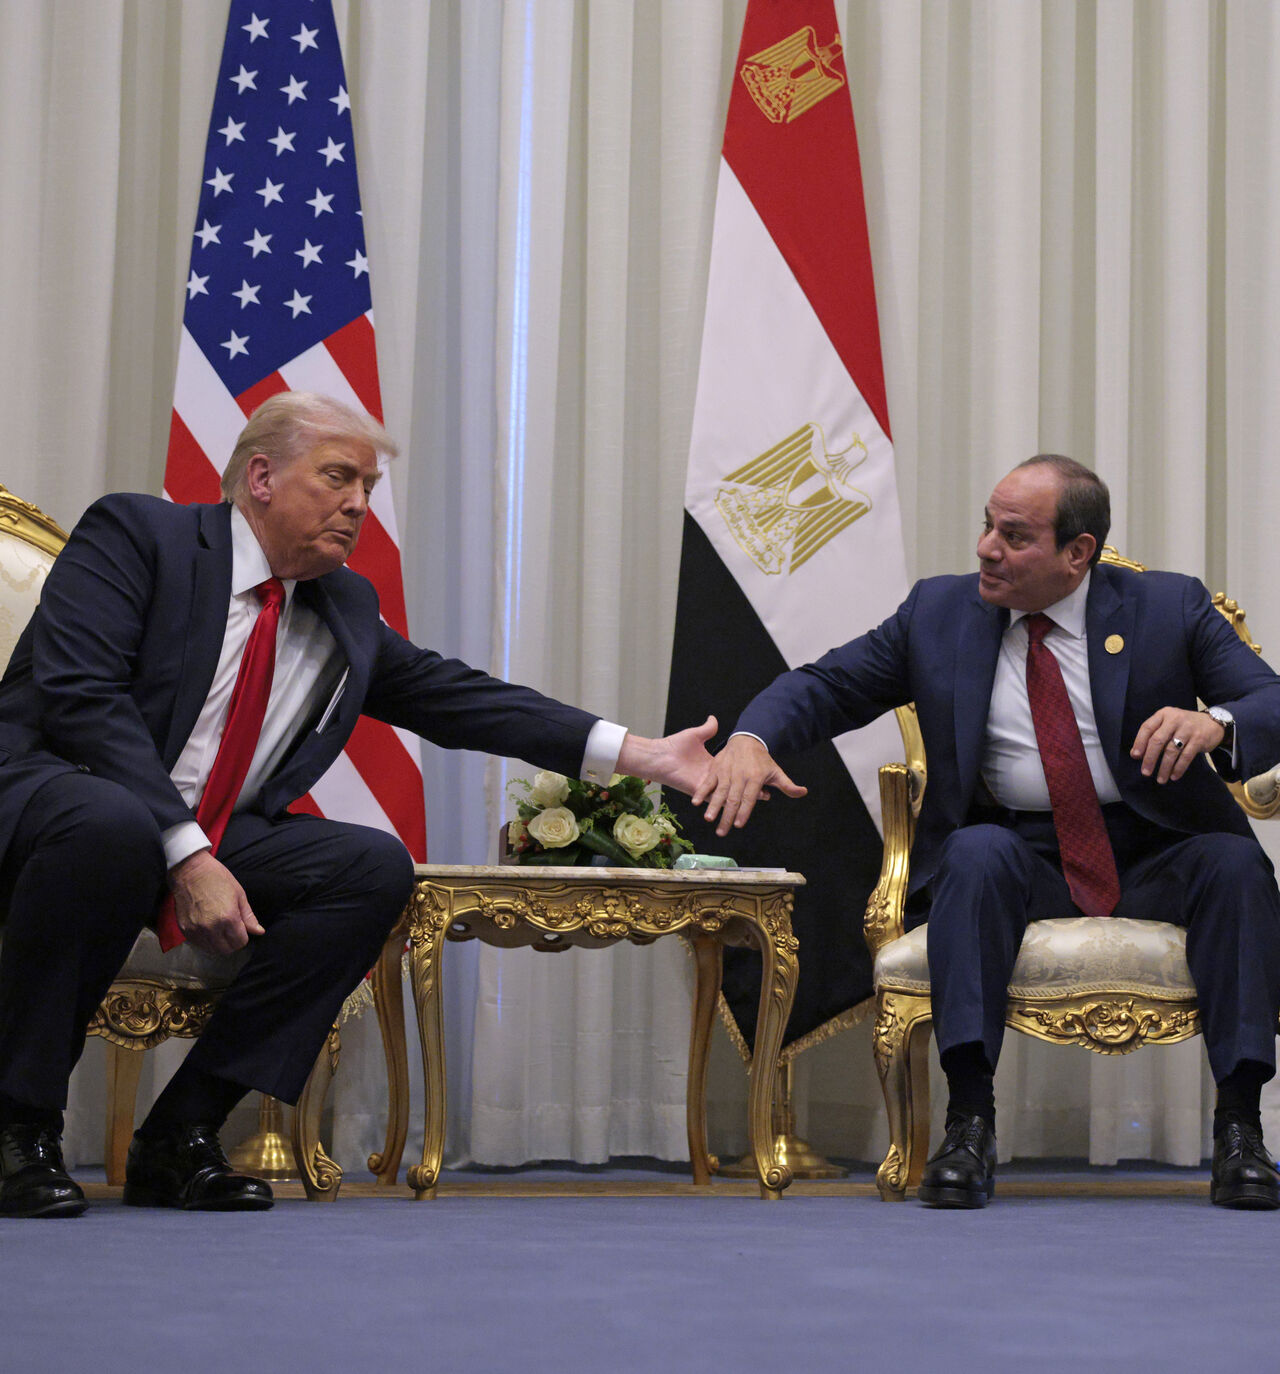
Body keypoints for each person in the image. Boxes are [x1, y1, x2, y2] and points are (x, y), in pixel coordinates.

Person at [0, 391, 715, 1217]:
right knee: (114, 825)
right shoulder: (139, 536)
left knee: (367, 867)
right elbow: (83, 701)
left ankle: (182, 1135)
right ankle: (18, 1128)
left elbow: (461, 699)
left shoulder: (344, 605)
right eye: (339, 478)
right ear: (260, 476)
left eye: (369, 489)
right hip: (59, 799)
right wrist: (187, 852)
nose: (358, 506)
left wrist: (642, 755)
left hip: (207, 833)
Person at [695, 455, 1280, 1210]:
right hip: (1018, 851)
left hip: (1153, 844)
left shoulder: (1167, 608)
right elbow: (828, 684)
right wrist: (752, 738)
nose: (986, 549)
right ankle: (969, 1122)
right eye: (986, 525)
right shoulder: (938, 614)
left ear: (1079, 553)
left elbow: (1269, 700)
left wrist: (1216, 721)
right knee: (972, 853)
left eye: (1014, 535)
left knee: (1235, 864)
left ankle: (1240, 1129)